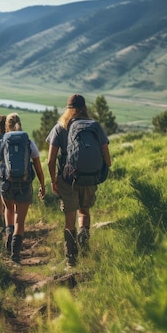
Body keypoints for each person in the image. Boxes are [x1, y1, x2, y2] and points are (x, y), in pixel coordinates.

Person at [46, 94, 111, 267]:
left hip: (67, 180)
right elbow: (108, 159)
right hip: (89, 178)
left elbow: (51, 160)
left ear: (68, 109)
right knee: (84, 211)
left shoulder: (60, 127)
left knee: (70, 217)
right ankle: (84, 245)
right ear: (84, 108)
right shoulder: (95, 127)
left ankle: (71, 259)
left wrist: (53, 181)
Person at [0, 112, 46, 263]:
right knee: (20, 221)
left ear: (6, 126)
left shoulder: (1, 143)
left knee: (8, 210)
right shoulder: (28, 142)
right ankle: (15, 253)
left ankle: (8, 236)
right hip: (25, 186)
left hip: (6, 185)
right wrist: (42, 185)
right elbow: (39, 169)